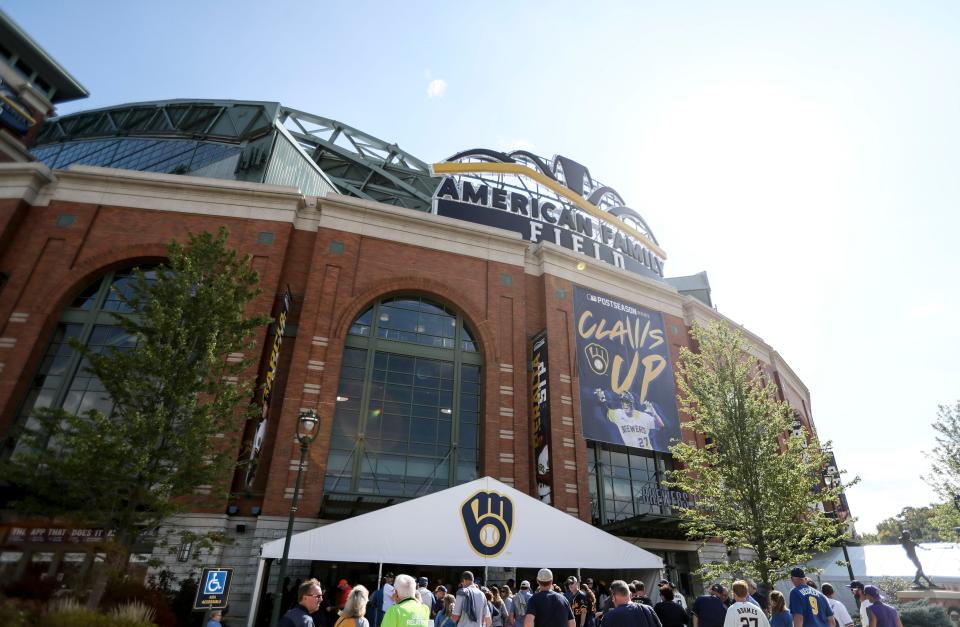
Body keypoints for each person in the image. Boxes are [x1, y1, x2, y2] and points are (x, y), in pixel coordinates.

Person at [594, 389, 666, 450]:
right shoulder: (619, 414)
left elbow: (661, 426)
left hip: (648, 453)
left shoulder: (643, 416)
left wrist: (655, 413)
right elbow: (606, 412)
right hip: (632, 453)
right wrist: (602, 399)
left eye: (626, 401)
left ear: (632, 402)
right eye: (622, 401)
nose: (624, 404)